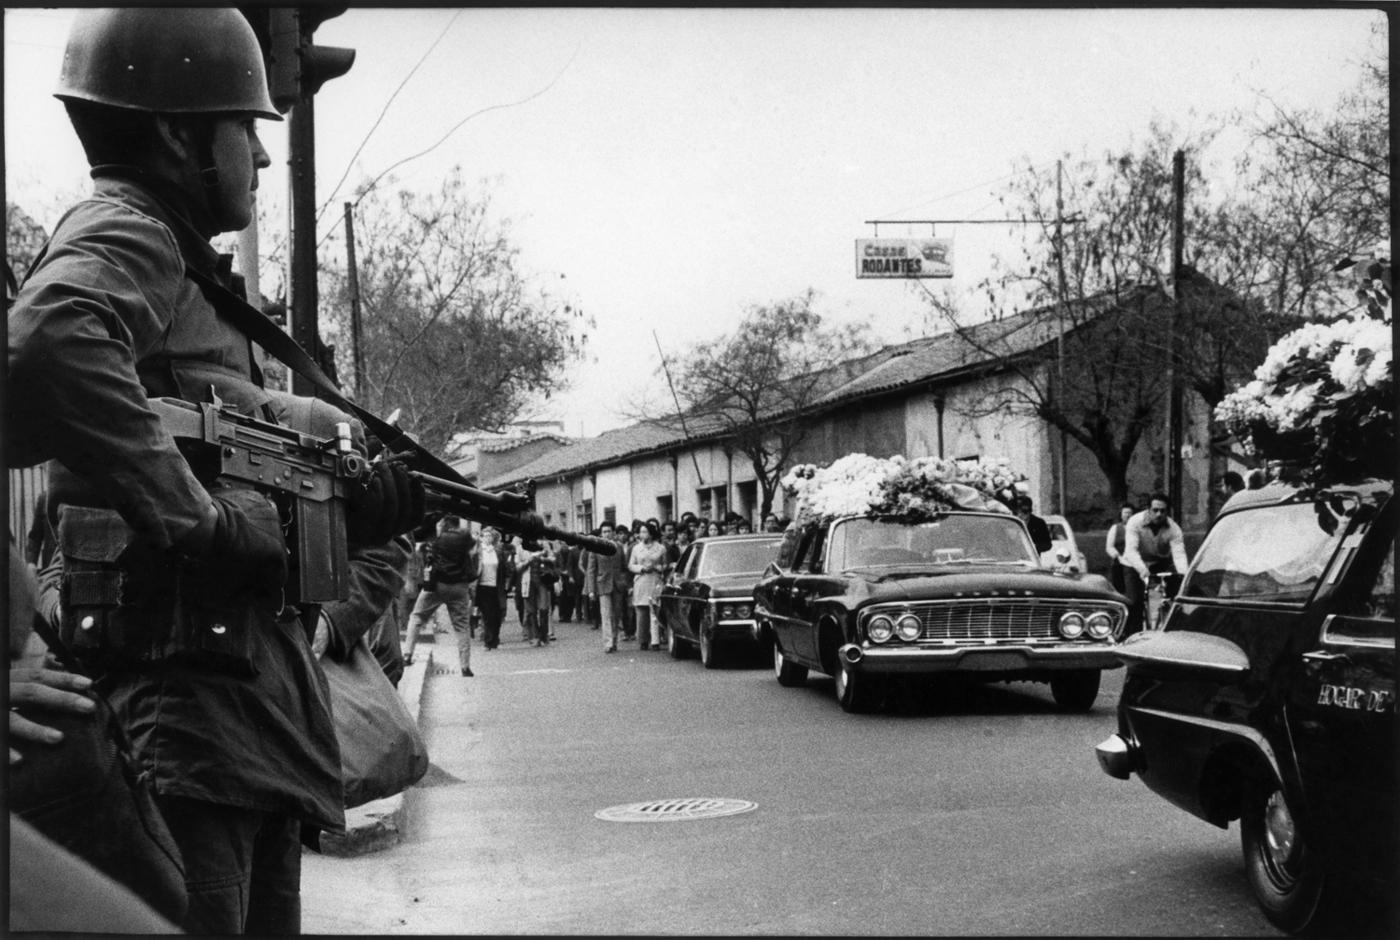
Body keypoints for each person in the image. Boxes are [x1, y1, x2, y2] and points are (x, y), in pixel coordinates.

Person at [6, 10, 422, 934]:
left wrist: (364, 507)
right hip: (188, 719)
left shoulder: (185, 271)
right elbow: (48, 341)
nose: (264, 160)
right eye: (247, 130)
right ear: (175, 135)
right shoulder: (130, 234)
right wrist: (195, 517)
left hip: (246, 729)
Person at [405, 516, 477, 675]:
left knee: (417, 617)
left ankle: (407, 654)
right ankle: (465, 667)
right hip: (459, 586)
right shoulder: (465, 537)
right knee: (462, 627)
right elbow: (473, 549)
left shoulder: (438, 539)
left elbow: (426, 554)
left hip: (437, 586)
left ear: (445, 524)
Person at [1121, 493, 1191, 637]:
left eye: (1163, 511)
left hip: (1158, 561)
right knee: (1134, 601)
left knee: (1170, 598)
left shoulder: (1174, 529)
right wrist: (1143, 570)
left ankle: (1167, 632)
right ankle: (1129, 635)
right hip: (1133, 563)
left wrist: (1184, 575)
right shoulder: (1135, 522)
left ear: (1167, 512)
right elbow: (1131, 550)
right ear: (1148, 509)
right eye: (1155, 510)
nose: (1159, 514)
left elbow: (1179, 554)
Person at [584, 521, 629, 653]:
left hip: (617, 584)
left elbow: (624, 567)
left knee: (616, 614)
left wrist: (625, 582)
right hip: (602, 584)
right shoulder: (595, 548)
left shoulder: (619, 547)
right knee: (606, 614)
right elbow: (591, 570)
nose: (607, 534)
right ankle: (608, 643)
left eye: (609, 531)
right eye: (604, 532)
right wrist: (591, 590)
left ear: (613, 533)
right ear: (601, 534)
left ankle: (614, 641)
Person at [628, 521, 668, 650]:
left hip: (655, 580)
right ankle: (643, 640)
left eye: (644, 532)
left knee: (654, 611)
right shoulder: (636, 548)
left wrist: (657, 567)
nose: (641, 534)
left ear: (651, 533)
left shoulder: (661, 548)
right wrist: (641, 568)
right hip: (641, 580)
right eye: (640, 532)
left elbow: (665, 565)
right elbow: (631, 565)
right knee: (641, 611)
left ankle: (655, 640)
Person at [475, 527, 511, 650]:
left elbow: (505, 568)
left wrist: (507, 582)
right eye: (485, 536)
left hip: (497, 586)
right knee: (487, 614)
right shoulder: (479, 552)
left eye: (490, 536)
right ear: (481, 538)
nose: (488, 538)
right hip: (483, 587)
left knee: (498, 613)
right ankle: (488, 641)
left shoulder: (497, 551)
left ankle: (495, 638)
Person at [516, 538, 556, 646]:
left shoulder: (544, 545)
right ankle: (534, 636)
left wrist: (542, 558)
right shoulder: (520, 548)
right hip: (528, 582)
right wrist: (529, 559)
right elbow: (517, 567)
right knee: (530, 611)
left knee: (544, 609)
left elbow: (553, 559)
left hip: (542, 581)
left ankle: (544, 636)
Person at [1104, 503, 1135, 593]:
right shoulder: (1115, 528)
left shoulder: (1137, 528)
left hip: (1134, 563)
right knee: (1119, 587)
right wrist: (1117, 556)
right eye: (1125, 513)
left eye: (1130, 513)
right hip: (1119, 563)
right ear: (1121, 515)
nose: (1128, 515)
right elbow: (1109, 546)